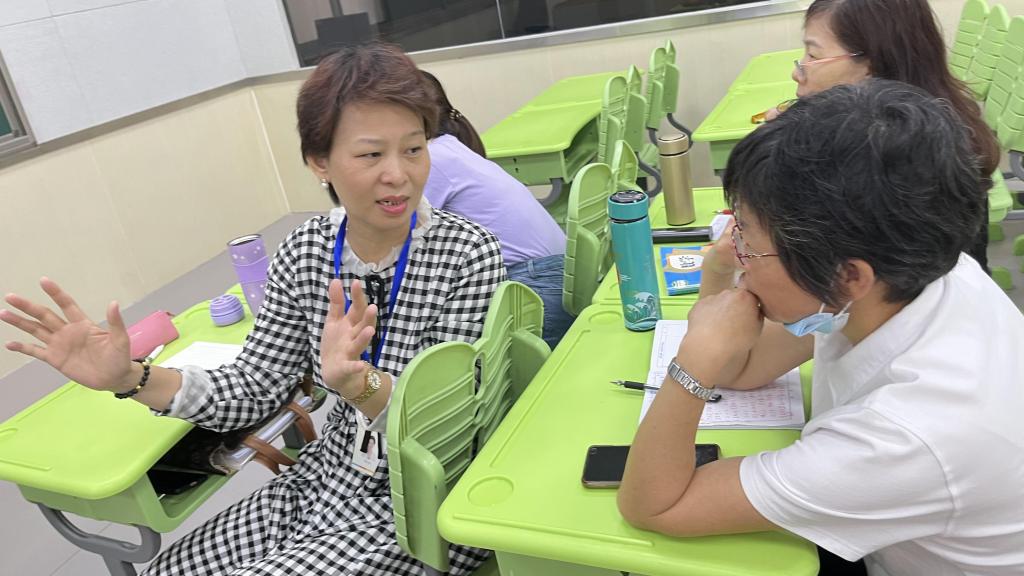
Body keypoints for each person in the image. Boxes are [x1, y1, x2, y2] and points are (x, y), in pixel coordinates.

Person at [0, 43, 505, 575]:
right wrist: (130, 377)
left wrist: (360, 385)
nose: (399, 174)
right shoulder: (305, 251)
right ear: (319, 162)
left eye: (414, 149)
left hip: (421, 503)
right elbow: (254, 387)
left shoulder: (468, 252)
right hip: (327, 478)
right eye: (370, 155)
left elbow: (448, 425)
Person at [617, 80, 1024, 575]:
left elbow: (655, 505)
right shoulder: (907, 270)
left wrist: (692, 362)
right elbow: (742, 369)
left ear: (849, 276)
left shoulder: (906, 435)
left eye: (749, 240)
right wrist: (720, 270)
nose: (739, 251)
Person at [761, 0, 999, 271]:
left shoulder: (896, 157)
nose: (797, 72)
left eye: (813, 56)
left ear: (872, 64)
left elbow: (820, 257)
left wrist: (779, 152)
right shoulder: (923, 119)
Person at [419, 70, 575, 349]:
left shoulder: (433, 158)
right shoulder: (450, 147)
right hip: (557, 272)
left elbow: (401, 240)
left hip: (535, 283)